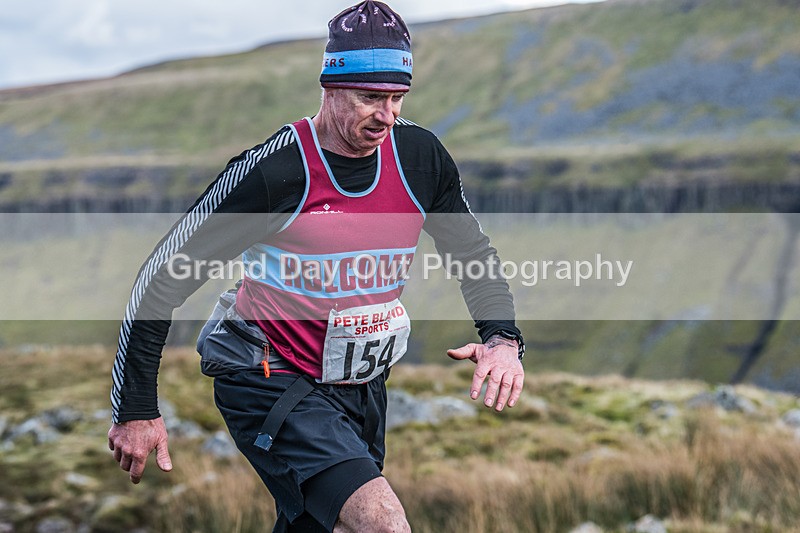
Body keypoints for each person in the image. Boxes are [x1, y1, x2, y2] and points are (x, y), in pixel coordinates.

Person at [107, 1, 525, 531]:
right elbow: (159, 281)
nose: (388, 115)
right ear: (330, 87)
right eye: (372, 97)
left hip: (361, 385)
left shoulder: (421, 158)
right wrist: (135, 408)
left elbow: (472, 253)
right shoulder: (276, 172)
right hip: (267, 376)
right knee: (382, 521)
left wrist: (501, 340)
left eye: (398, 97)